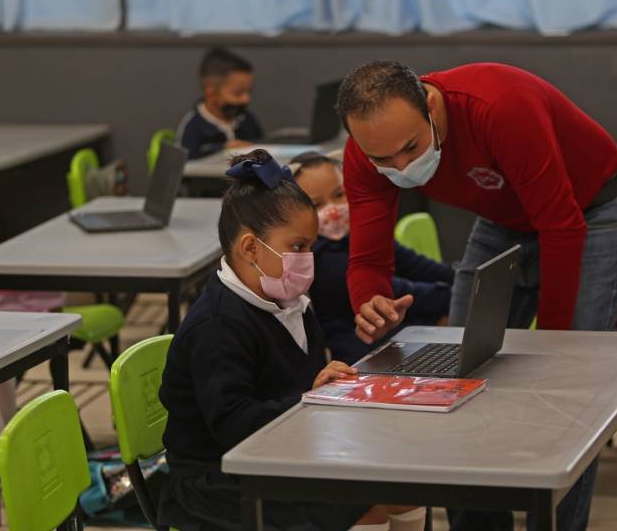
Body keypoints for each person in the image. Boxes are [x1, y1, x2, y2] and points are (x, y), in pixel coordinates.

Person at [335, 61, 617, 531]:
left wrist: (558, 347)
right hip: (504, 216)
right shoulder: (366, 151)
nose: (399, 166)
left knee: (571, 386)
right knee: (456, 376)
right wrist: (370, 301)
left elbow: (561, 226)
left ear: (432, 106)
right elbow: (370, 261)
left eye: (411, 147)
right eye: (382, 159)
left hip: (591, 207)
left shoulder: (499, 108)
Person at [157, 149, 425, 531]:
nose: (308, 258)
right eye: (298, 247)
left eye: (310, 247)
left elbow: (302, 384)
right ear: (250, 248)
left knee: (404, 486)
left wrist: (326, 386)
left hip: (282, 452)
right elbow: (233, 423)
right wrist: (308, 400)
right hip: (217, 481)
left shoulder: (291, 301)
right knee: (366, 510)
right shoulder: (217, 325)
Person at [289, 151, 453, 364]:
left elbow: (421, 267)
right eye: (316, 204)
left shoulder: (357, 236)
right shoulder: (321, 260)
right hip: (365, 357)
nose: (332, 211)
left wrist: (464, 277)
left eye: (339, 195)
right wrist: (461, 291)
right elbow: (404, 294)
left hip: (399, 336)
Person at [176, 47, 263, 159]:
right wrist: (222, 149)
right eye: (238, 93)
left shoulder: (247, 120)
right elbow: (185, 162)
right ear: (211, 94)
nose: (246, 99)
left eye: (248, 92)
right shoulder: (192, 127)